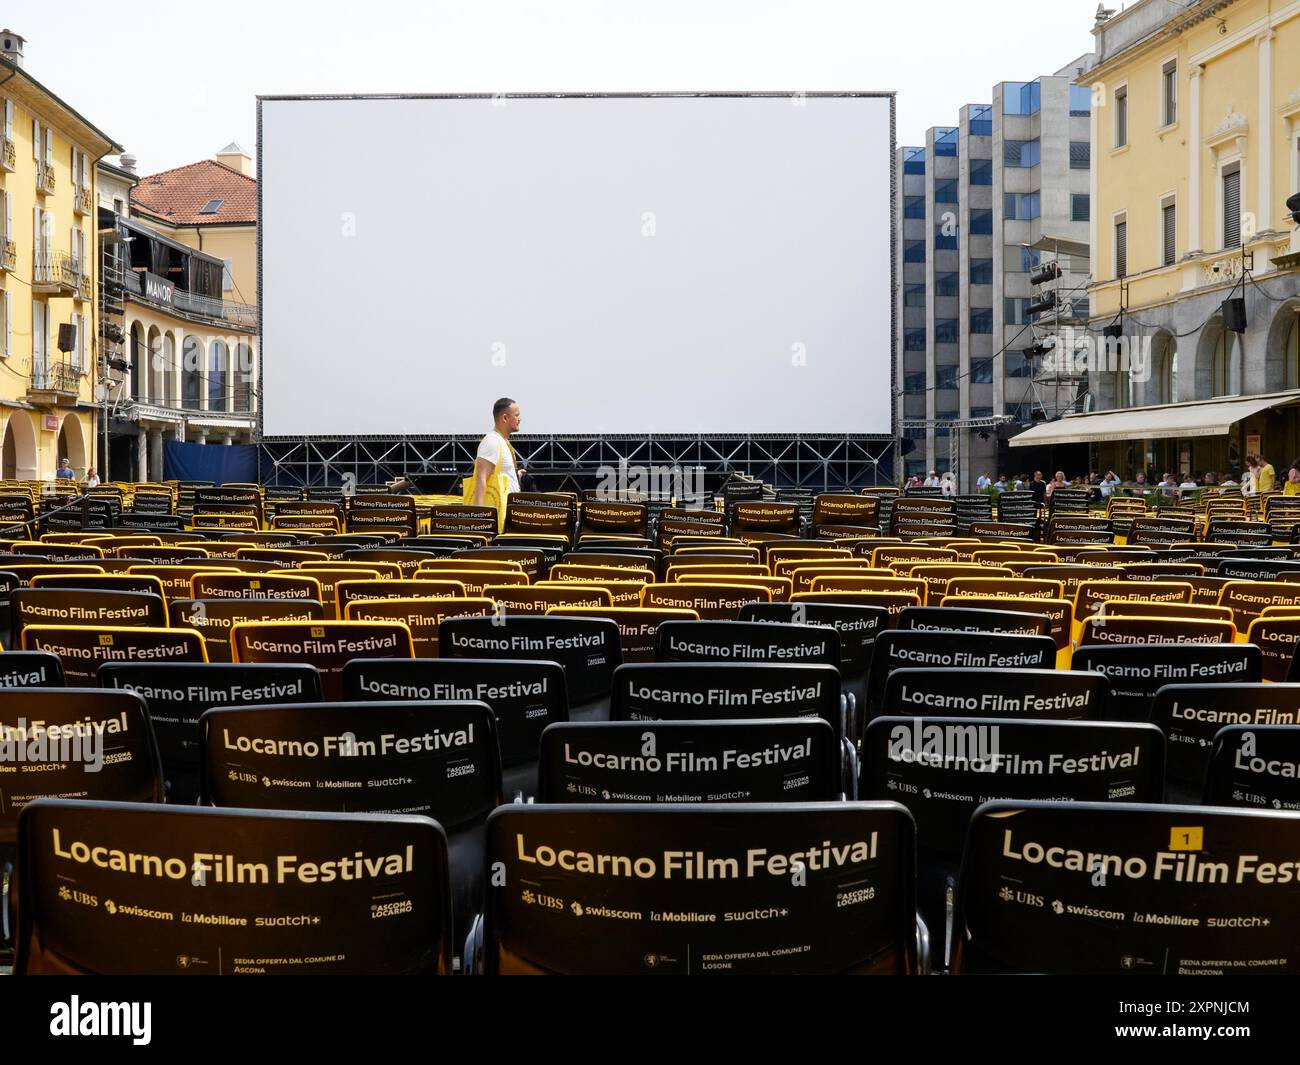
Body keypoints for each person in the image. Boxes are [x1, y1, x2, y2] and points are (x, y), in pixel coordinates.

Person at [472, 397, 525, 506]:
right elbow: (481, 478)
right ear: (505, 418)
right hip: (497, 513)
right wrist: (479, 515)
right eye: (516, 415)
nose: (520, 419)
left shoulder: (501, 441)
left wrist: (516, 475)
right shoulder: (492, 441)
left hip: (505, 510)